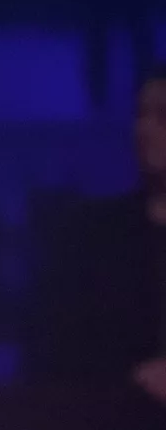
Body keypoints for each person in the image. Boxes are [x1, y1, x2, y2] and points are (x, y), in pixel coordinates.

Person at [35, 65, 166, 405]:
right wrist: (131, 376)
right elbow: (59, 346)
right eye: (140, 115)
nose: (144, 129)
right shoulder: (93, 234)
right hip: (113, 418)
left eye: (162, 116)